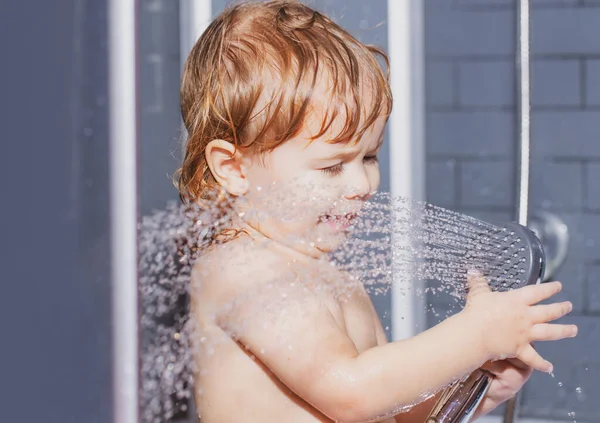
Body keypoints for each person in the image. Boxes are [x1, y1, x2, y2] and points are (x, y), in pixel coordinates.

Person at [175, 1, 578, 421]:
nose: (361, 186)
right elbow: (351, 394)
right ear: (233, 168)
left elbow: (389, 409)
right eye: (332, 166)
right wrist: (475, 336)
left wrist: (475, 389)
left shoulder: (337, 278)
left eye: (369, 158)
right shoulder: (241, 270)